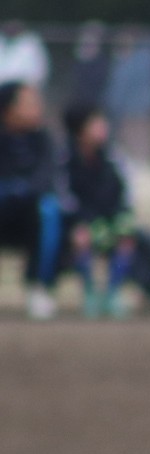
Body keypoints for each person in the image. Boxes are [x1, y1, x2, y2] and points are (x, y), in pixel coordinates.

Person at [63, 102, 150, 318]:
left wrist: (121, 222)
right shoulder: (66, 160)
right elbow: (66, 199)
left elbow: (124, 198)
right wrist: (81, 223)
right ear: (80, 129)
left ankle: (113, 293)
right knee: (82, 236)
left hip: (109, 223)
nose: (103, 127)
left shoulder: (112, 159)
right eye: (96, 123)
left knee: (133, 238)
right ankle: (90, 293)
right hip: (79, 225)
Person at [0, 81, 63, 320]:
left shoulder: (43, 140)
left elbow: (46, 178)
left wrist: (23, 191)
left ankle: (38, 285)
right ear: (8, 110)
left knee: (48, 210)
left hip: (29, 215)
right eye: (28, 103)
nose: (37, 108)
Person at [103, 29, 150, 168]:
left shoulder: (139, 60)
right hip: (121, 105)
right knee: (125, 132)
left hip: (137, 104)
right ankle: (130, 159)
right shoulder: (120, 61)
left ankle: (142, 160)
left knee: (138, 132)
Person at [0, 20, 48, 88]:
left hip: (23, 87)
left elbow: (39, 70)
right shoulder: (2, 42)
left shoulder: (31, 44)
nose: (11, 27)